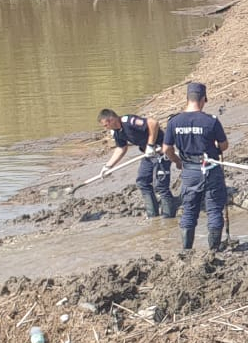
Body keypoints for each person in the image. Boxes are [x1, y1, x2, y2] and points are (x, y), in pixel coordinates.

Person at [163, 82, 229, 252]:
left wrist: (177, 161)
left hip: (189, 171)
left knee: (189, 210)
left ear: (187, 99)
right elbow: (224, 145)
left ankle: (186, 251)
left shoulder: (174, 122)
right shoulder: (211, 121)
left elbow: (166, 149)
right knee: (214, 209)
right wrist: (214, 147)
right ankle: (214, 250)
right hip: (211, 170)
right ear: (202, 99)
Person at [96, 107, 175, 218]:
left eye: (105, 125)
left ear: (111, 120)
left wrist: (150, 145)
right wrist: (108, 166)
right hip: (148, 154)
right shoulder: (117, 132)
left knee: (161, 185)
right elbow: (121, 148)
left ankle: (169, 217)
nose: (105, 128)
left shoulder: (129, 121)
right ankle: (152, 215)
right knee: (142, 182)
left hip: (161, 150)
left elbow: (153, 123)